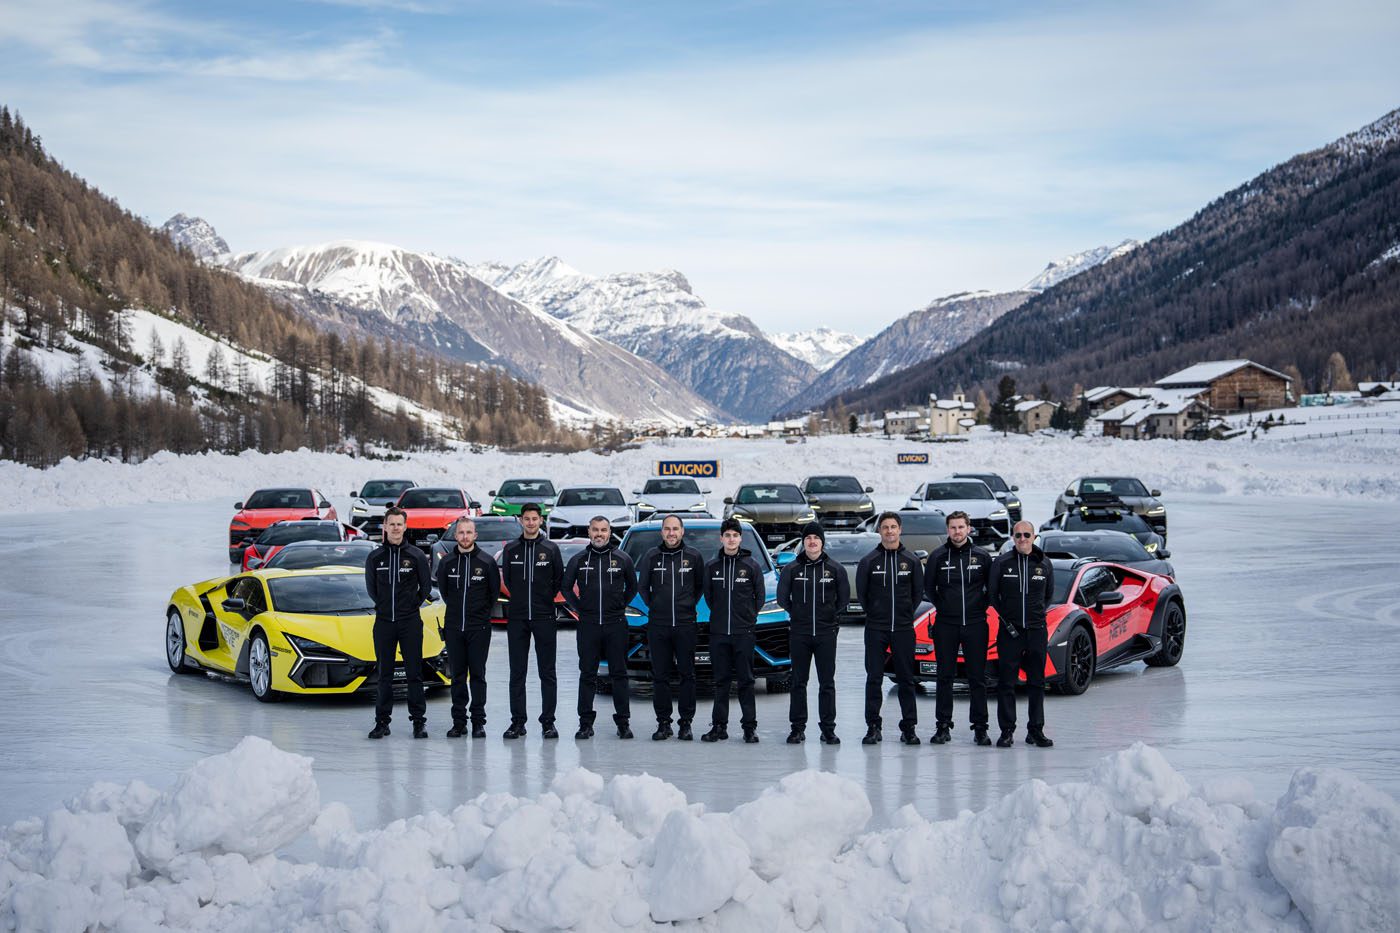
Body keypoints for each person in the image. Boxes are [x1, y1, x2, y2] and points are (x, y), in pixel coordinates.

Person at [562, 516, 638, 739]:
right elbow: (566, 588)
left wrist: (619, 605)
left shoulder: (623, 558)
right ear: (589, 531)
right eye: (595, 530)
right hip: (589, 625)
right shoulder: (579, 559)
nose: (599, 534)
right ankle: (585, 723)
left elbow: (632, 587)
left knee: (619, 674)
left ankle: (623, 722)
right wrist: (581, 610)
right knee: (587, 674)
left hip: (616, 625)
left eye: (603, 530)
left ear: (609, 532)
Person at [856, 511, 925, 745]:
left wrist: (904, 614)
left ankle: (909, 728)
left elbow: (917, 595)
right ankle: (873, 727)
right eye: (885, 527)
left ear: (900, 530)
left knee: (906, 679)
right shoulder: (869, 561)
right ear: (879, 531)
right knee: (874, 678)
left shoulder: (912, 561)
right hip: (876, 629)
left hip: (904, 629)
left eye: (893, 527)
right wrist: (877, 614)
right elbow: (863, 595)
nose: (889, 531)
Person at [924, 511, 992, 746]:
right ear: (947, 530)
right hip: (946, 625)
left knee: (977, 678)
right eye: (953, 528)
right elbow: (929, 587)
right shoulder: (938, 557)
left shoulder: (982, 556)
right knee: (944, 676)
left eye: (961, 527)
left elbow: (991, 589)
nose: (957, 531)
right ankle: (943, 726)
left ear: (969, 528)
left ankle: (980, 728)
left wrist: (979, 608)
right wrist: (943, 606)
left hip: (975, 624)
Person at [776, 520, 848, 744]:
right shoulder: (792, 569)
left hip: (826, 633)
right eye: (808, 538)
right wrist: (798, 614)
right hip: (800, 634)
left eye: (816, 538)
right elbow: (782, 598)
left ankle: (828, 729)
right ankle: (797, 728)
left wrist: (828, 617)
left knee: (827, 682)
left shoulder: (835, 569)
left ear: (822, 542)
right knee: (798, 682)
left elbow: (843, 599)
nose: (812, 541)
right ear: (803, 542)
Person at [364, 506, 433, 739]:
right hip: (384, 622)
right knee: (384, 674)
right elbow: (372, 590)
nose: (395, 528)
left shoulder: (416, 556)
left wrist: (409, 606)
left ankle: (418, 722)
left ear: (405, 527)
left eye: (399, 524)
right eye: (391, 524)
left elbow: (425, 588)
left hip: (410, 622)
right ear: (384, 526)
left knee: (414, 672)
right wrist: (386, 606)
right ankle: (382, 722)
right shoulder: (375, 557)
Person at [499, 502, 565, 739]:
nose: (530, 522)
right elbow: (507, 578)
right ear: (521, 521)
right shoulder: (511, 549)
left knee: (547, 672)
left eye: (534, 519)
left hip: (544, 617)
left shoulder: (551, 549)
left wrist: (545, 599)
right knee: (517, 672)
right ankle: (518, 722)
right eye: (526, 519)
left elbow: (559, 579)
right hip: (517, 618)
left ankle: (548, 722)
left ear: (540, 521)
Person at [637, 514, 706, 740]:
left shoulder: (694, 557)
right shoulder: (652, 556)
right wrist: (657, 607)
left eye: (675, 528)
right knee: (661, 676)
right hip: (659, 626)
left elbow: (699, 588)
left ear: (682, 531)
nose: (671, 533)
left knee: (688, 675)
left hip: (686, 625)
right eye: (667, 529)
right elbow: (643, 588)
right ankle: (663, 723)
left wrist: (686, 606)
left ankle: (685, 723)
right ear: (662, 532)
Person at [988, 520, 1055, 748]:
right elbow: (993, 596)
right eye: (1018, 536)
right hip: (1010, 632)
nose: (1022, 539)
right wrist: (1008, 619)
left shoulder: (1044, 563)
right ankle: (1007, 731)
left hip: (1036, 631)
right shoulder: (1002, 563)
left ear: (1034, 537)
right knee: (1007, 683)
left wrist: (1036, 617)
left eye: (1027, 535)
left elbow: (1048, 596)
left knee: (1037, 682)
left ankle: (1036, 730)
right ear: (1012, 538)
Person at [434, 516, 501, 738]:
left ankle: (478, 722)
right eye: (461, 533)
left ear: (475, 535)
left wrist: (479, 616)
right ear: (455, 536)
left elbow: (493, 594)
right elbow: (444, 591)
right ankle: (459, 722)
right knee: (458, 676)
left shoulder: (486, 562)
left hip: (479, 628)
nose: (465, 537)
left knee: (478, 675)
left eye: (468, 532)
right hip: (454, 627)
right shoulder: (447, 563)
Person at [701, 518, 765, 744]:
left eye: (735, 535)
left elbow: (760, 598)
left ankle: (749, 728)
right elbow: (709, 597)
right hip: (719, 633)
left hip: (743, 633)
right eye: (727, 535)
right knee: (721, 681)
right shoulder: (712, 566)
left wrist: (747, 617)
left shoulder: (751, 566)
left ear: (740, 538)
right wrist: (720, 617)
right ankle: (719, 726)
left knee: (746, 681)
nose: (731, 539)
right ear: (721, 538)